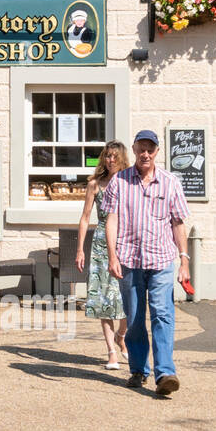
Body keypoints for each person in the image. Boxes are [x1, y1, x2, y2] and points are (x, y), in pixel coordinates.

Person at [104, 129, 191, 395]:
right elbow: (112, 220)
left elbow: (178, 222)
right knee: (135, 318)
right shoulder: (119, 181)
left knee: (162, 314)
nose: (145, 154)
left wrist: (184, 260)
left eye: (150, 149)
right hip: (130, 260)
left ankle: (165, 373)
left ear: (156, 152)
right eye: (141, 148)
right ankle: (139, 369)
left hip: (162, 260)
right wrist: (112, 256)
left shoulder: (170, 182)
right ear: (134, 149)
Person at [75, 141, 131, 369]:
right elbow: (85, 217)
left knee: (127, 298)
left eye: (115, 156)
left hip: (125, 242)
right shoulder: (95, 185)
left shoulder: (130, 182)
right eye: (107, 156)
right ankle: (111, 351)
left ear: (122, 158)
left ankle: (122, 335)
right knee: (103, 300)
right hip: (100, 244)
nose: (110, 160)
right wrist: (80, 249)